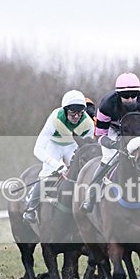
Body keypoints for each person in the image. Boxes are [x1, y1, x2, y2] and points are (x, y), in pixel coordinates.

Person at [80, 72, 140, 213]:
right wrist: (114, 145)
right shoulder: (106, 105)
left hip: (134, 130)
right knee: (108, 157)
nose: (130, 99)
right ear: (118, 95)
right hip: (112, 130)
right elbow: (100, 135)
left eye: (134, 95)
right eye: (126, 96)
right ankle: (91, 195)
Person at [22, 90, 95, 224]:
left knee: (81, 173)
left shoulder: (88, 124)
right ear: (65, 110)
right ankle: (31, 208)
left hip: (73, 146)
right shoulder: (54, 119)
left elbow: (86, 147)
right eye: (73, 112)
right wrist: (57, 165)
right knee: (47, 173)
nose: (77, 116)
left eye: (80, 112)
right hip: (54, 146)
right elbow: (37, 149)